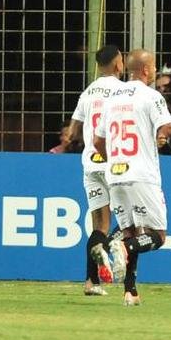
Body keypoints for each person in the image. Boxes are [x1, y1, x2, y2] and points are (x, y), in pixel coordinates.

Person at [91, 49, 171, 305]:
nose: (156, 71)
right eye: (155, 67)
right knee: (157, 236)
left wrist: (113, 159)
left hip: (115, 176)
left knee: (132, 231)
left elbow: (98, 141)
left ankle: (130, 290)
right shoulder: (151, 96)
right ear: (146, 70)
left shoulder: (112, 98)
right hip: (142, 175)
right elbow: (167, 129)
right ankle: (121, 247)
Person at [71, 44, 126, 296]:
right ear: (118, 64)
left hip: (90, 163)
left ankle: (91, 282)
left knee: (99, 225)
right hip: (115, 163)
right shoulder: (124, 91)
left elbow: (72, 131)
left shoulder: (88, 92)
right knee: (133, 222)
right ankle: (113, 244)